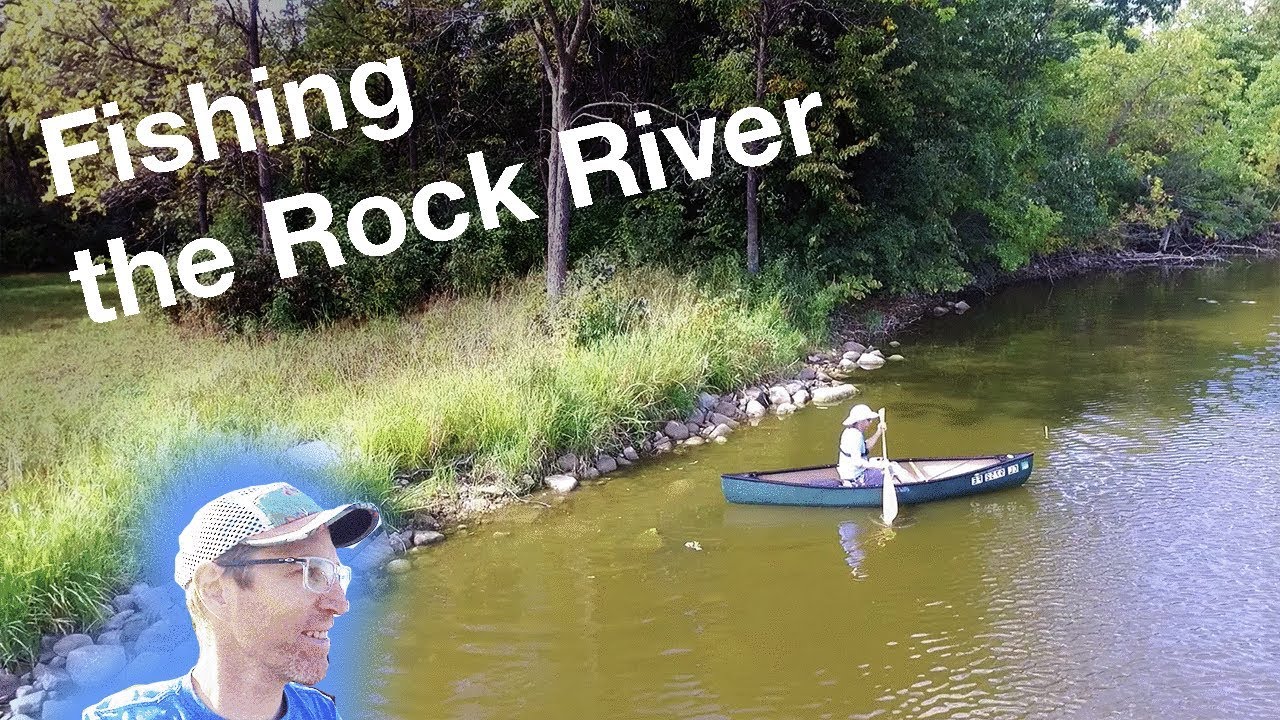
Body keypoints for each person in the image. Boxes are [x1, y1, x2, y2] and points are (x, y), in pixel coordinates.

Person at [83, 482, 381, 720]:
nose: (340, 604)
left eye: (335, 575)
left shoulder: (321, 712)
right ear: (217, 590)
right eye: (311, 572)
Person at [837, 404, 890, 487]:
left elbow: (865, 448)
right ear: (860, 421)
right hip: (856, 478)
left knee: (883, 462)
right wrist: (878, 466)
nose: (871, 422)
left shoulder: (850, 431)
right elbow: (857, 461)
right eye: (868, 420)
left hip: (852, 473)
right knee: (891, 469)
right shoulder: (855, 436)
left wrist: (879, 431)